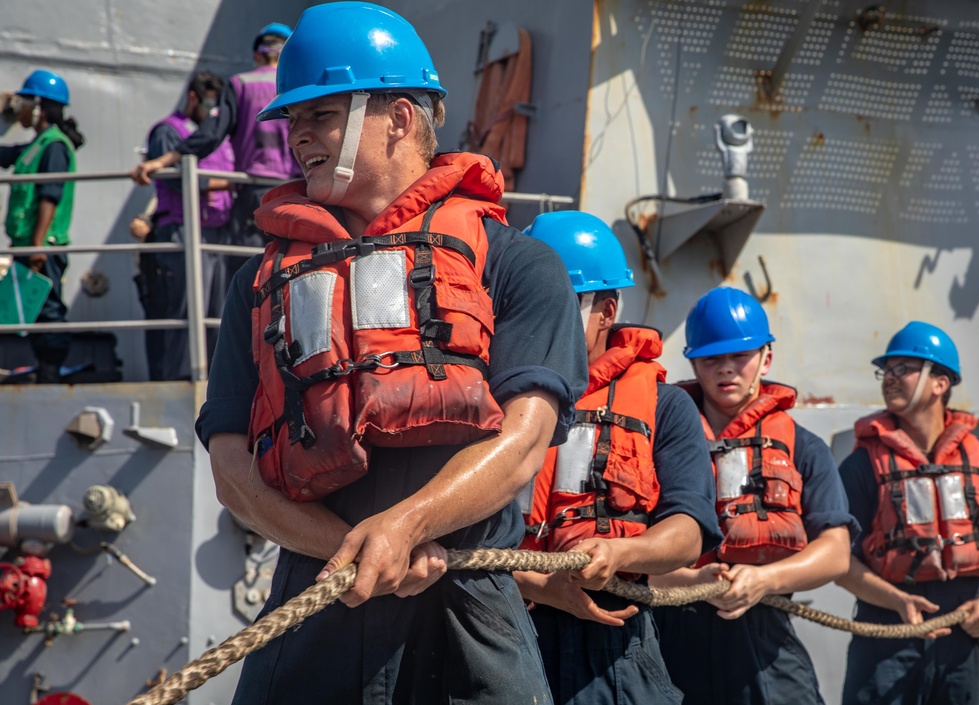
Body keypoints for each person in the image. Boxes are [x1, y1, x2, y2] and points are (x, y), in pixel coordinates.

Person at [194, 3, 588, 703]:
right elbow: (233, 471)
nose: (298, 137)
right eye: (293, 121)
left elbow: (526, 439)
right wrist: (352, 552)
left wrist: (409, 524)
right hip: (317, 598)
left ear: (401, 119)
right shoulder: (258, 285)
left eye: (321, 114)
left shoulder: (519, 267)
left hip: (469, 611)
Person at [516, 211, 720, 705]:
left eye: (561, 302)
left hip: (615, 645)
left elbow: (688, 531)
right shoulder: (490, 398)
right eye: (527, 301)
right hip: (506, 632)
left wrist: (619, 553)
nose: (541, 317)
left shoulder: (665, 407)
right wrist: (541, 586)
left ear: (606, 311)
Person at [651, 287, 856, 705]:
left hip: (769, 637)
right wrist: (690, 581)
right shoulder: (659, 441)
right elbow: (631, 550)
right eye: (711, 359)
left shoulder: (804, 446)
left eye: (739, 357)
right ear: (693, 363)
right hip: (674, 634)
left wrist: (763, 580)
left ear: (766, 358)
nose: (726, 370)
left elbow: (836, 553)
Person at [837, 321, 979, 705]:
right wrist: (897, 601)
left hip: (965, 640)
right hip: (885, 640)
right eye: (886, 371)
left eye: (903, 369)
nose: (889, 379)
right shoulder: (860, 467)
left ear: (940, 383)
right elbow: (838, 560)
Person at [129, 21, 299, 286]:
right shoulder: (298, 88)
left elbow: (210, 134)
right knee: (297, 267)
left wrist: (162, 161)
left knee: (251, 273)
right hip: (298, 192)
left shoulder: (240, 84)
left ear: (256, 54)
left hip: (254, 194)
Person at [136, 69, 234, 381]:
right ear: (192, 98)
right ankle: (177, 379)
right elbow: (179, 181)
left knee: (217, 314)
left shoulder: (215, 135)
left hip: (216, 235)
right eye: (207, 105)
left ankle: (214, 381)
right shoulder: (167, 132)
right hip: (181, 232)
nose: (211, 113)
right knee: (183, 311)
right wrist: (230, 185)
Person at [0, 70, 85, 383]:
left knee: (48, 309)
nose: (19, 107)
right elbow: (7, 155)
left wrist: (37, 245)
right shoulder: (36, 145)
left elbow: (50, 196)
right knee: (28, 308)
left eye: (24, 101)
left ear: (38, 105)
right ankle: (40, 367)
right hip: (28, 245)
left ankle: (51, 371)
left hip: (42, 246)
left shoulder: (54, 147)